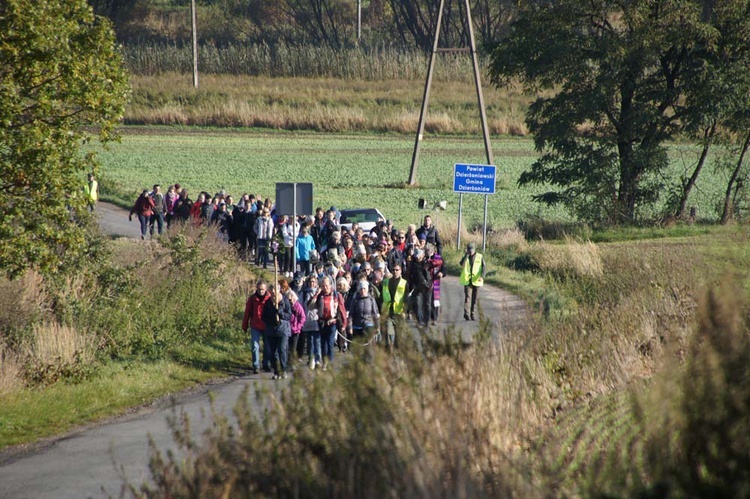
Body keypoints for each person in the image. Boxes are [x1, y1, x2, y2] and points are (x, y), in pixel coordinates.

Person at [311, 275, 346, 371]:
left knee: (330, 342)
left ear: (330, 285)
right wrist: (315, 295)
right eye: (323, 286)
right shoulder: (319, 296)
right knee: (323, 343)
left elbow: (342, 309)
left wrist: (344, 324)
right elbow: (310, 306)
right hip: (322, 322)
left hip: (332, 321)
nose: (325, 288)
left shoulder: (336, 295)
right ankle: (324, 361)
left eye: (326, 285)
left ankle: (330, 362)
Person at [261, 285, 292, 380]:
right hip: (271, 330)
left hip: (283, 330)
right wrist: (272, 317)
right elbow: (263, 317)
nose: (274, 292)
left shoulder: (285, 301)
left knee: (282, 350)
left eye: (276, 289)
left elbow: (289, 315)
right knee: (273, 353)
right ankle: (276, 371)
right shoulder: (268, 303)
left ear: (279, 290)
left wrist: (281, 313)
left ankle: (283, 370)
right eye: (272, 290)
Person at [242, 279, 270, 374]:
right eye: (259, 289)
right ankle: (256, 365)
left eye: (262, 289)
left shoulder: (270, 298)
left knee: (267, 346)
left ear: (265, 289)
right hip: (255, 325)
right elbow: (247, 313)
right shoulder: (252, 299)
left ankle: (266, 363)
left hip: (266, 325)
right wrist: (245, 325)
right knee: (255, 346)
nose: (261, 291)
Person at [380, 263, 409, 353]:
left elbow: (406, 298)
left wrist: (405, 311)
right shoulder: (385, 282)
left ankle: (398, 353)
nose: (395, 272)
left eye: (397, 270)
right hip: (388, 312)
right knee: (389, 333)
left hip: (399, 312)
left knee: (399, 337)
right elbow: (382, 297)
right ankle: (389, 352)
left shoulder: (404, 283)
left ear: (400, 271)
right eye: (393, 270)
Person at [300, 276, 321, 370]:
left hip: (317, 319)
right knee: (310, 341)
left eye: (314, 282)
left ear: (316, 283)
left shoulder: (320, 293)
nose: (312, 283)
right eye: (310, 282)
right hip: (307, 320)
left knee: (317, 341)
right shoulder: (304, 293)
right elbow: (301, 306)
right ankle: (311, 359)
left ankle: (318, 360)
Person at [459, 242, 485, 321]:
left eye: (471, 250)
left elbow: (484, 267)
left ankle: (473, 314)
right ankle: (466, 314)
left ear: (474, 250)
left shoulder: (480, 257)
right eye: (469, 250)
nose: (470, 252)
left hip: (476, 280)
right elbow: (461, 264)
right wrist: (466, 255)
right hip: (468, 281)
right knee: (468, 298)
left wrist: (482, 276)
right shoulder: (466, 257)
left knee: (475, 298)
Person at [409, 248, 433, 328]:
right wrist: (411, 287)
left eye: (419, 256)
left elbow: (430, 275)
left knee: (427, 305)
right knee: (418, 304)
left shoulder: (426, 263)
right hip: (417, 288)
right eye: (416, 256)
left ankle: (427, 321)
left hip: (427, 288)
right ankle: (420, 321)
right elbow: (411, 277)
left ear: (422, 256)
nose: (417, 258)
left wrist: (429, 285)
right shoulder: (413, 265)